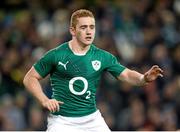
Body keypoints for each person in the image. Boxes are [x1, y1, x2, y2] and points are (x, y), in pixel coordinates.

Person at [23, 9, 163, 132]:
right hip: (62, 120)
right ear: (72, 30)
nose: (89, 31)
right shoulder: (56, 55)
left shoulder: (102, 56)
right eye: (83, 27)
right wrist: (44, 100)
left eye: (92, 27)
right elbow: (29, 78)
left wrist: (143, 78)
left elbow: (126, 74)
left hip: (91, 119)